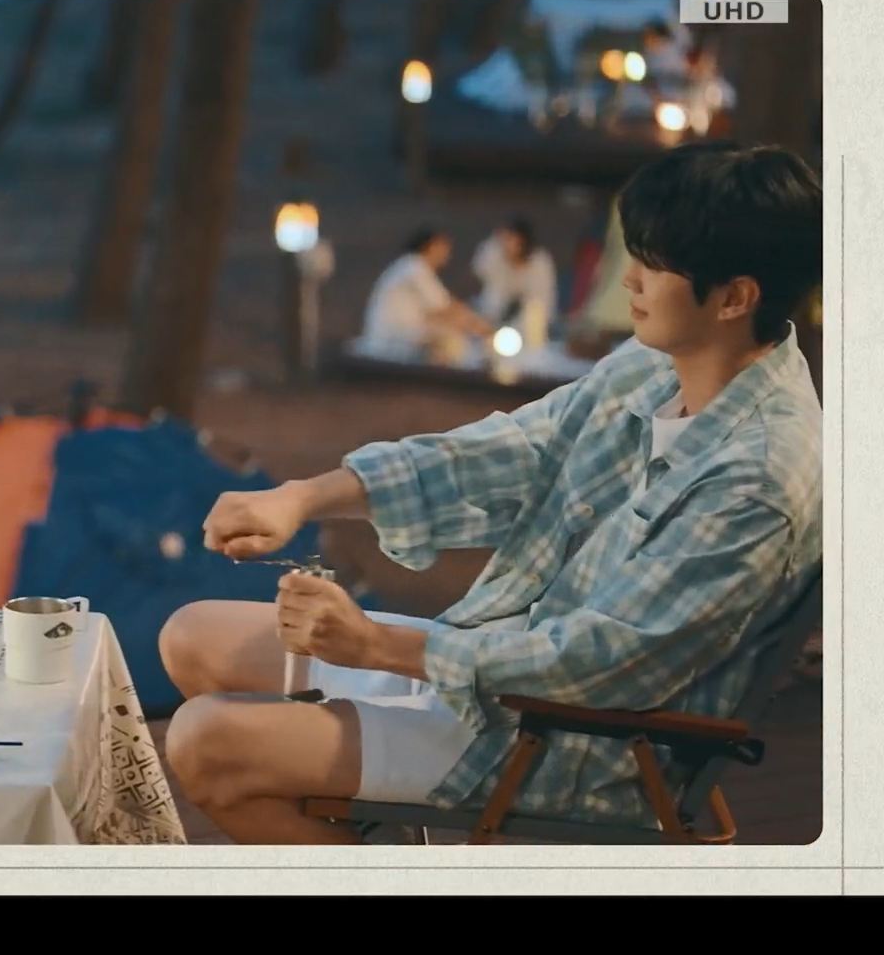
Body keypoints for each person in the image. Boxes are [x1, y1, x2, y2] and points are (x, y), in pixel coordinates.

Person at [163, 141, 821, 844]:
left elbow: (600, 663)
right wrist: (301, 498)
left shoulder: (758, 475)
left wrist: (376, 646)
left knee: (207, 743)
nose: (628, 279)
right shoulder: (660, 362)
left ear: (735, 297)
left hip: (576, 742)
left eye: (654, 264)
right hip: (495, 665)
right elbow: (512, 450)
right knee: (191, 637)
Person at [355, 227, 492, 365]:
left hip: (397, 338)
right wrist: (482, 327)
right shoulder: (414, 266)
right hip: (390, 340)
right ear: (432, 246)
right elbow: (445, 307)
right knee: (453, 341)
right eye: (444, 247)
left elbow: (441, 308)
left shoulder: (410, 266)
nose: (448, 254)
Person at [471, 216, 558, 332]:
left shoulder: (540, 263)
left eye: (510, 238)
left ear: (522, 241)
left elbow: (542, 304)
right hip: (495, 325)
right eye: (503, 238)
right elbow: (491, 293)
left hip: (532, 328)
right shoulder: (495, 255)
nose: (504, 243)